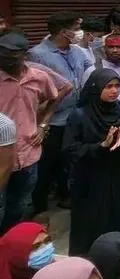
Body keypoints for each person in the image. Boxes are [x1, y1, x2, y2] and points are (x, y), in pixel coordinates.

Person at [0, 30, 70, 232]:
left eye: (13, 55)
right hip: (2, 157)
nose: (7, 59)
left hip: (28, 153)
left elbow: (58, 93)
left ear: (25, 55)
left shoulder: (39, 77)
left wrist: (43, 123)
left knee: (19, 206)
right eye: (3, 54)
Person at [64, 68, 120, 256]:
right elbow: (70, 151)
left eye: (117, 86)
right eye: (109, 86)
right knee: (90, 226)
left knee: (116, 220)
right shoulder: (79, 116)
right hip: (90, 181)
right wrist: (101, 145)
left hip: (117, 177)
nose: (114, 91)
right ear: (96, 89)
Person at [27, 11, 87, 216]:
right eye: (76, 28)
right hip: (51, 119)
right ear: (64, 31)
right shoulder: (38, 55)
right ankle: (39, 205)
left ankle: (65, 194)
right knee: (46, 163)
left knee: (68, 160)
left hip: (75, 116)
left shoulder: (78, 52)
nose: (79, 32)